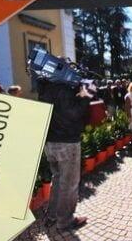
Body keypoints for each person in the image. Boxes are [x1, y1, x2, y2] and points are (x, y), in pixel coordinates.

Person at [37, 78, 92, 231]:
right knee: (69, 184)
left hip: (50, 141)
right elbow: (74, 113)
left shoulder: (44, 87)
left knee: (58, 179)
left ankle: (53, 215)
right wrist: (86, 96)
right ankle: (65, 221)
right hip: (66, 142)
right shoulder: (63, 89)